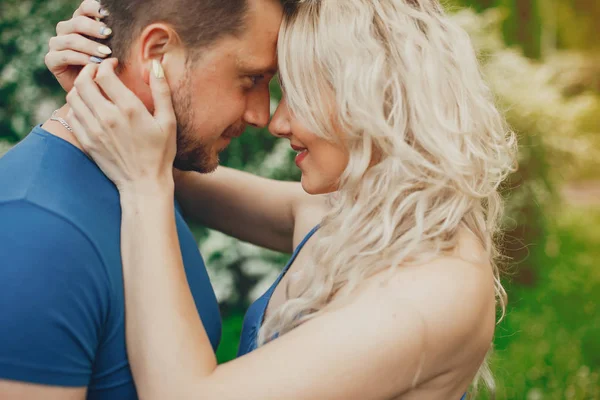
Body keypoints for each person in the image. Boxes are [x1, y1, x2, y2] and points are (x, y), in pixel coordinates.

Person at [57, 0, 518, 398]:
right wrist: (111, 83)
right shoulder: (347, 213)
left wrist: (144, 188)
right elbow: (178, 181)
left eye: (296, 94)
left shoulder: (434, 289)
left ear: (374, 96)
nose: (276, 121)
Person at [0, 0, 285, 398]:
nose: (261, 115)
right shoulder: (32, 236)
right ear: (157, 53)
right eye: (250, 78)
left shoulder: (146, 174)